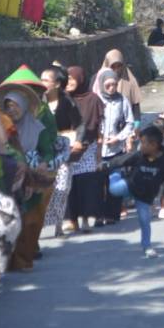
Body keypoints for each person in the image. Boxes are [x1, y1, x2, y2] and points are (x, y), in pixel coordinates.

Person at [103, 126, 164, 258]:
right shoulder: (139, 155)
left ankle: (147, 247)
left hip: (145, 196)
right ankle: (115, 173)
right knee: (113, 190)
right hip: (130, 185)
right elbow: (124, 159)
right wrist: (107, 165)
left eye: (143, 143)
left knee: (145, 220)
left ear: (154, 145)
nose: (141, 146)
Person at [0, 73, 58, 269]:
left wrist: (43, 163)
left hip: (32, 179)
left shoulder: (37, 128)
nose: (11, 110)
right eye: (8, 107)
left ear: (23, 106)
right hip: (11, 177)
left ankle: (28, 251)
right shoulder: (4, 129)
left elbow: (48, 151)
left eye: (14, 106)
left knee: (31, 218)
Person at [41, 66, 82, 238]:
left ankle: (58, 224)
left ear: (57, 84)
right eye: (40, 79)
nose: (41, 83)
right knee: (44, 189)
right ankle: (38, 225)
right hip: (43, 149)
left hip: (63, 148)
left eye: (45, 80)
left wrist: (78, 140)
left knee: (62, 187)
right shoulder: (37, 102)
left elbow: (79, 123)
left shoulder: (67, 101)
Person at [64, 67, 104, 234]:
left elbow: (99, 127)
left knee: (86, 185)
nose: (69, 82)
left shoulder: (93, 99)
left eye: (72, 79)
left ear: (81, 79)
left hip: (88, 148)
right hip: (67, 147)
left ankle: (86, 219)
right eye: (67, 79)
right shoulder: (63, 99)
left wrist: (99, 152)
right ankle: (72, 220)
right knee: (69, 185)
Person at [98, 71, 134, 222]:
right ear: (102, 84)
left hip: (115, 150)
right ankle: (99, 215)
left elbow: (130, 122)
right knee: (99, 185)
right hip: (98, 151)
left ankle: (113, 214)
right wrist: (98, 137)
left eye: (114, 84)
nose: (112, 88)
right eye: (108, 85)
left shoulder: (122, 100)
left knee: (114, 182)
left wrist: (118, 138)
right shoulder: (96, 100)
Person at [93, 49, 143, 126]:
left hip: (125, 125)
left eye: (119, 66)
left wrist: (137, 123)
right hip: (103, 125)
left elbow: (135, 105)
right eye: (113, 66)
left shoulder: (130, 80)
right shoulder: (97, 80)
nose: (116, 69)